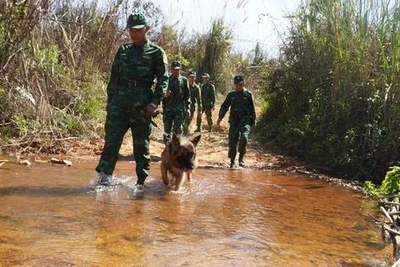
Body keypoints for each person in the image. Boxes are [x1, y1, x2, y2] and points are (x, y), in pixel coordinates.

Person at [95, 12, 168, 188]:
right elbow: (114, 77)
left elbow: (163, 81)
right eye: (131, 30)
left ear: (147, 29)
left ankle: (142, 183)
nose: (134, 33)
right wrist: (110, 101)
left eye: (138, 30)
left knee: (141, 147)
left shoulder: (156, 53)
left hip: (142, 108)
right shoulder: (123, 50)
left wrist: (153, 103)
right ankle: (104, 180)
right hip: (119, 105)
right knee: (111, 143)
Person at [216, 75, 256, 168]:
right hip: (234, 121)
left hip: (245, 120)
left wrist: (253, 121)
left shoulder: (248, 94)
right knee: (232, 141)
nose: (238, 86)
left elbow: (252, 109)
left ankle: (241, 158)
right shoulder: (231, 95)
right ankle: (232, 161)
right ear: (234, 85)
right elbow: (225, 106)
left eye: (240, 84)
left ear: (243, 84)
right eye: (237, 84)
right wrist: (220, 118)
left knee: (244, 138)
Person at [162, 60, 191, 143]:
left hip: (179, 108)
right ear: (171, 69)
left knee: (178, 129)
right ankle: (168, 149)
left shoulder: (184, 80)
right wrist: (165, 94)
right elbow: (160, 92)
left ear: (180, 70)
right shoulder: (167, 79)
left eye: (178, 69)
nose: (176, 71)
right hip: (168, 108)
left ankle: (177, 148)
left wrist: (188, 108)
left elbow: (187, 95)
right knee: (167, 129)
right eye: (174, 69)